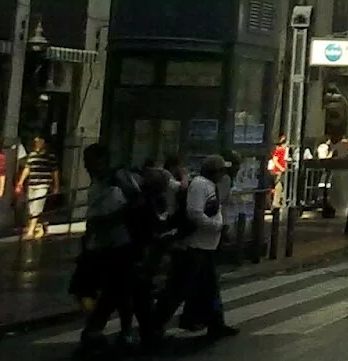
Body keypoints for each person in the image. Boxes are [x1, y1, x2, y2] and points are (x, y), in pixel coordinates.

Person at [151, 154, 237, 339]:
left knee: (209, 287)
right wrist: (217, 227)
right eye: (221, 170)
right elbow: (195, 213)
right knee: (179, 287)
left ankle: (215, 323)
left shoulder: (209, 185)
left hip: (206, 246)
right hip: (194, 246)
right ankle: (154, 324)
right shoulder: (199, 185)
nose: (223, 174)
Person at [74, 144, 146, 352]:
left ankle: (117, 331)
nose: (87, 166)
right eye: (86, 162)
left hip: (119, 244)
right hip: (100, 244)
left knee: (120, 291)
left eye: (91, 161)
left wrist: (104, 220)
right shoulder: (99, 182)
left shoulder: (118, 180)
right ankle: (101, 329)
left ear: (102, 161)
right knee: (102, 290)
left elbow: (135, 204)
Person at [15, 136, 58, 240]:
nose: (37, 144)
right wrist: (20, 182)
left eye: (39, 142)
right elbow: (27, 168)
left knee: (37, 207)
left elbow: (55, 172)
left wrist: (56, 186)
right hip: (32, 184)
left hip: (43, 184)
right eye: (36, 142)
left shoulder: (50, 156)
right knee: (31, 209)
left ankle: (30, 231)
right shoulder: (32, 155)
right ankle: (41, 226)